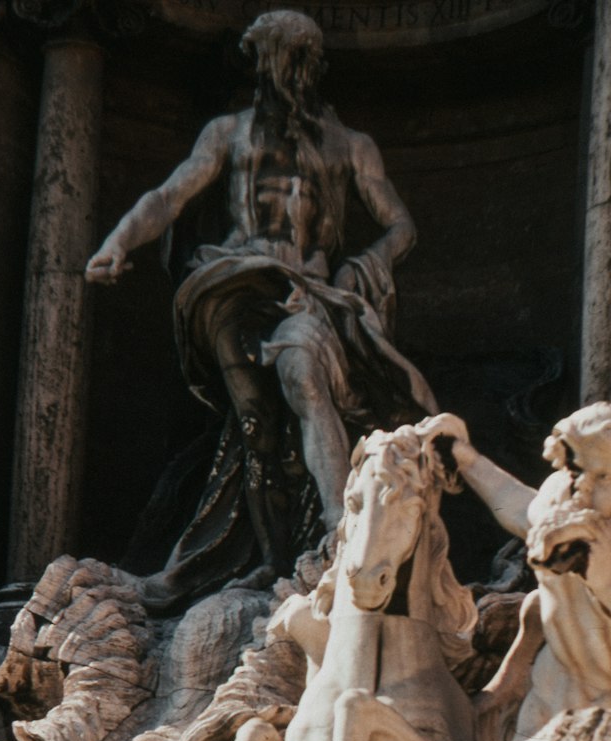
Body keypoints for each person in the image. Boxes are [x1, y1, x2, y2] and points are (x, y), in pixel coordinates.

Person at [87, 9, 436, 609]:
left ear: (314, 65)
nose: (289, 70)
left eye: (300, 57)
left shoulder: (351, 145)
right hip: (237, 283)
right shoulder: (228, 133)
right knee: (257, 430)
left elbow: (400, 225)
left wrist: (366, 261)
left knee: (304, 376)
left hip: (306, 289)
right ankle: (276, 560)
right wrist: (118, 241)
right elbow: (170, 196)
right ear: (260, 62)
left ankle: (338, 531)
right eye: (278, 56)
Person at [419, 403, 611, 741]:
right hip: (545, 712)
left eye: (602, 478)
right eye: (576, 472)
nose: (582, 491)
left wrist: (610, 583)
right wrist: (465, 459)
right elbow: (520, 508)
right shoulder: (559, 496)